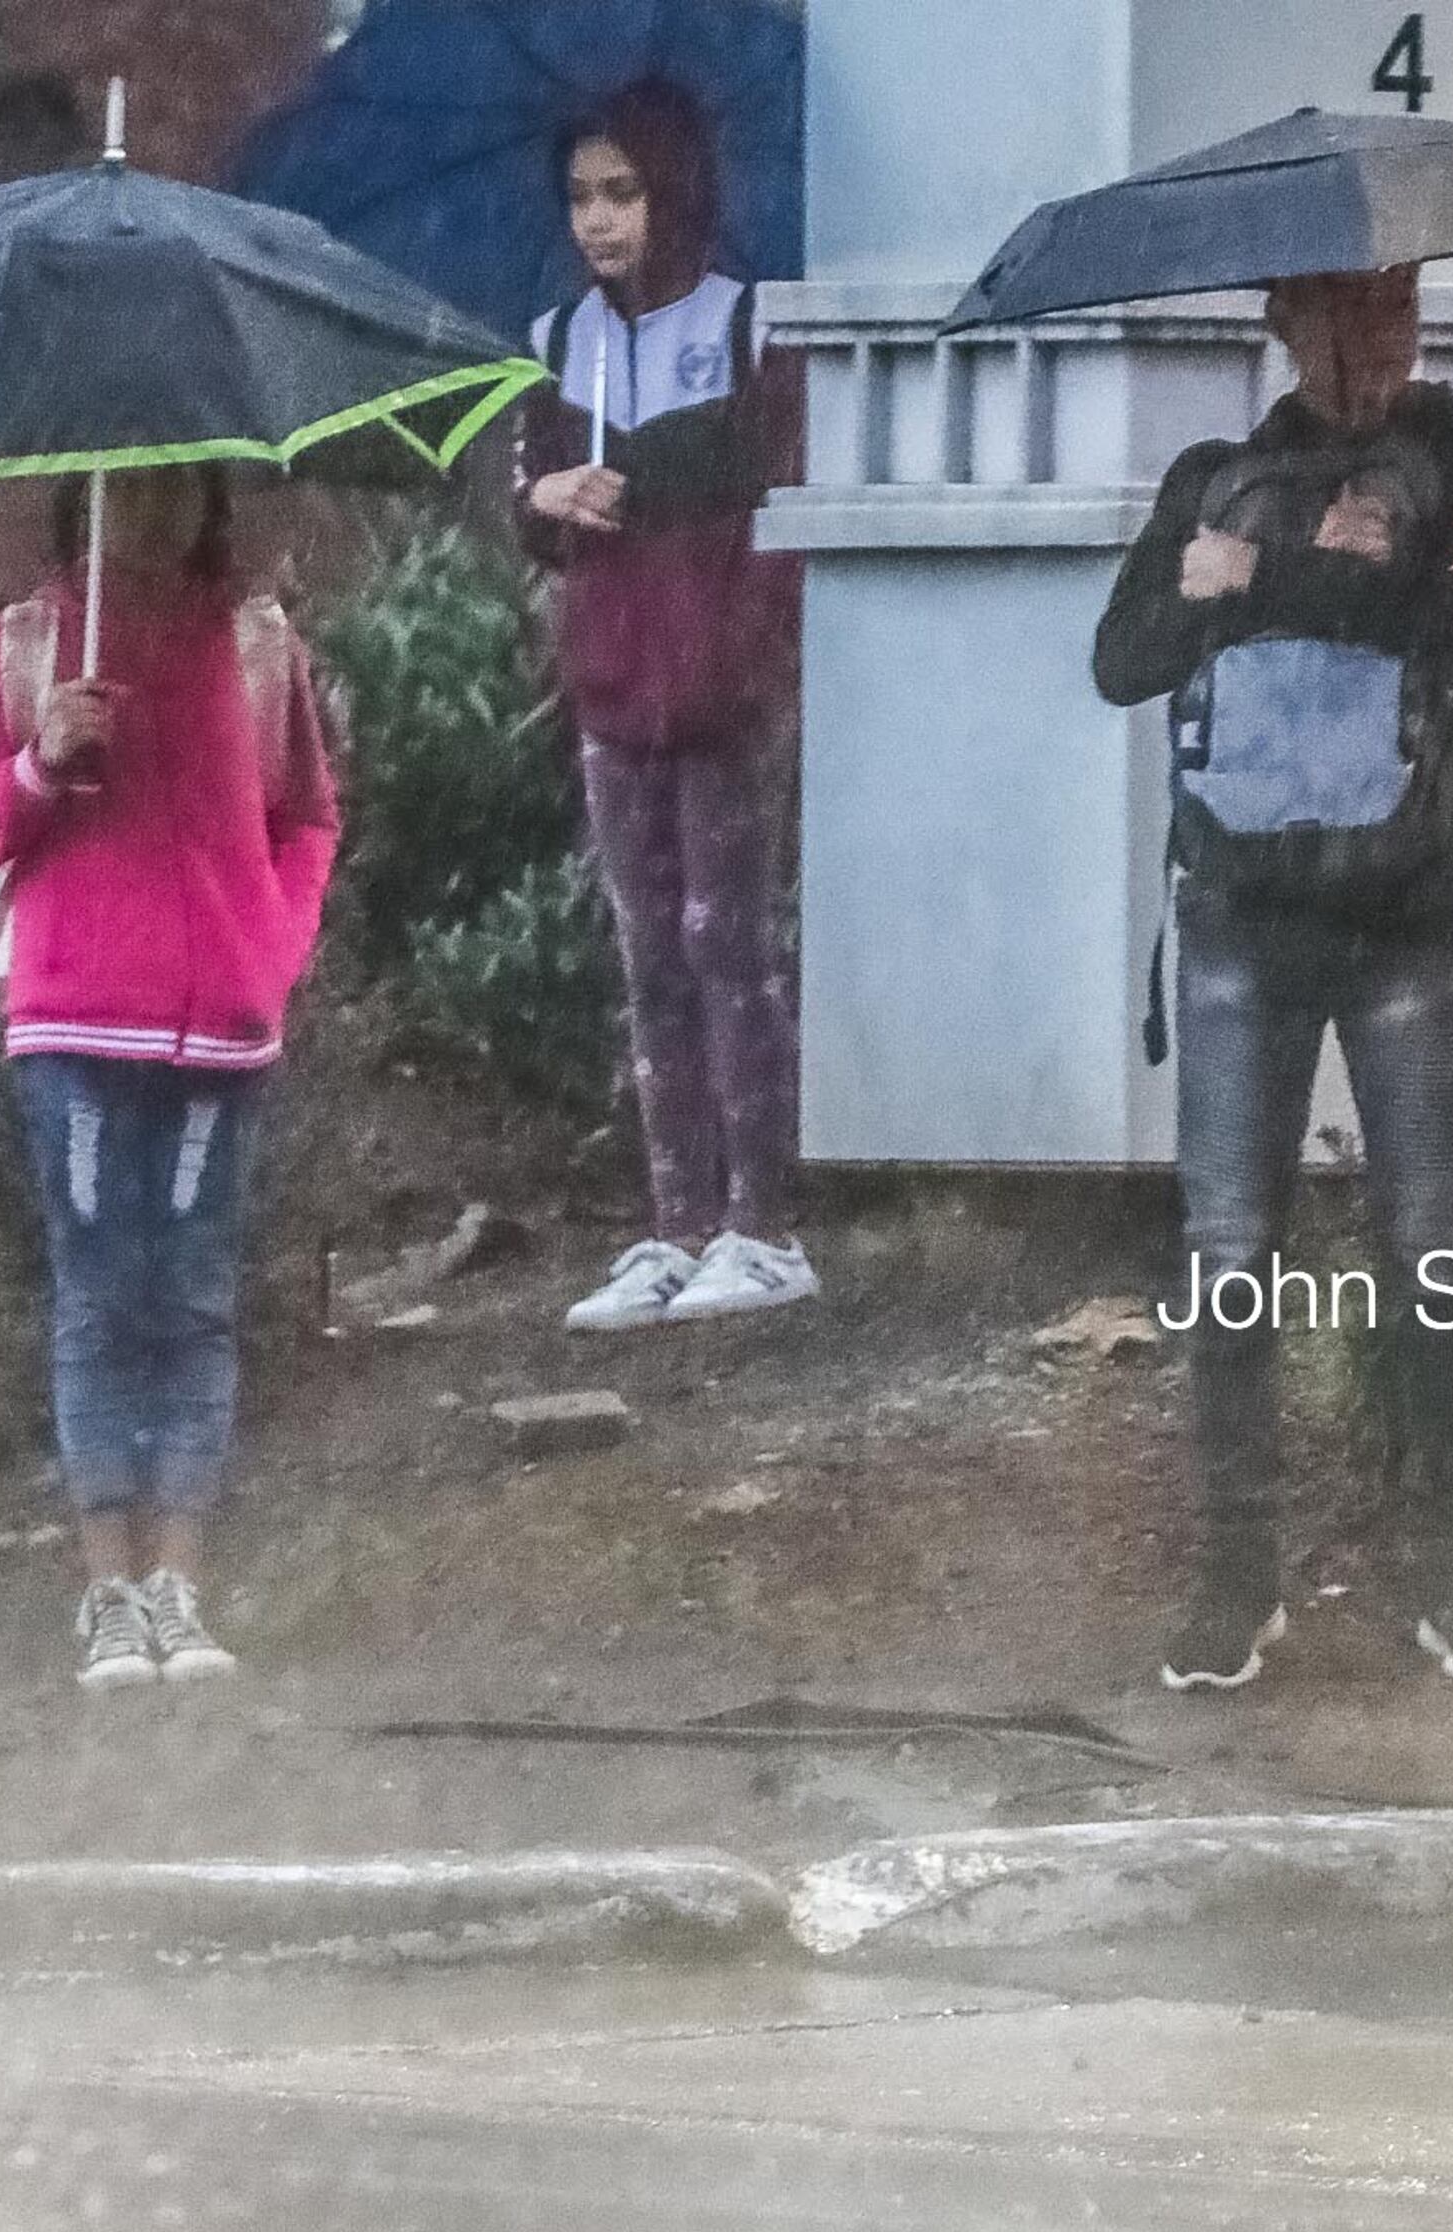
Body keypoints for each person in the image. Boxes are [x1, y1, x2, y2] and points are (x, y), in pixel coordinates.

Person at [1092, 265, 1453, 1695]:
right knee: (1228, 1252)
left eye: (1394, 317)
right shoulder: (1214, 477)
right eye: (1339, 321)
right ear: (1281, 324)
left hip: (1414, 916)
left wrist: (1269, 584)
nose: (1369, 350)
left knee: (1437, 1247)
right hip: (1239, 918)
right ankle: (1237, 1578)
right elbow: (1122, 660)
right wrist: (1230, 575)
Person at [0, 466, 341, 1692]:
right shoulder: (26, 644)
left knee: (196, 1298)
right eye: (127, 484)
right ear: (81, 496)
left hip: (220, 1029)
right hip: (71, 1025)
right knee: (99, 1300)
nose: (153, 507)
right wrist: (41, 765)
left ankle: (179, 1582)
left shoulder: (261, 646)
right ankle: (106, 1591)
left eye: (177, 482)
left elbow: (308, 818)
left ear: (208, 494)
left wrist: (274, 946)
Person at [518, 80, 813, 1334]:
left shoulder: (748, 328)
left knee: (726, 946)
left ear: (675, 190)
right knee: (647, 961)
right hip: (610, 694)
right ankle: (673, 1224)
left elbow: (781, 506)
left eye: (623, 191)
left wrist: (749, 660)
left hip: (724, 697)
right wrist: (542, 502)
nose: (600, 220)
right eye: (582, 195)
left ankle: (765, 1224)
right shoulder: (550, 345)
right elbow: (524, 506)